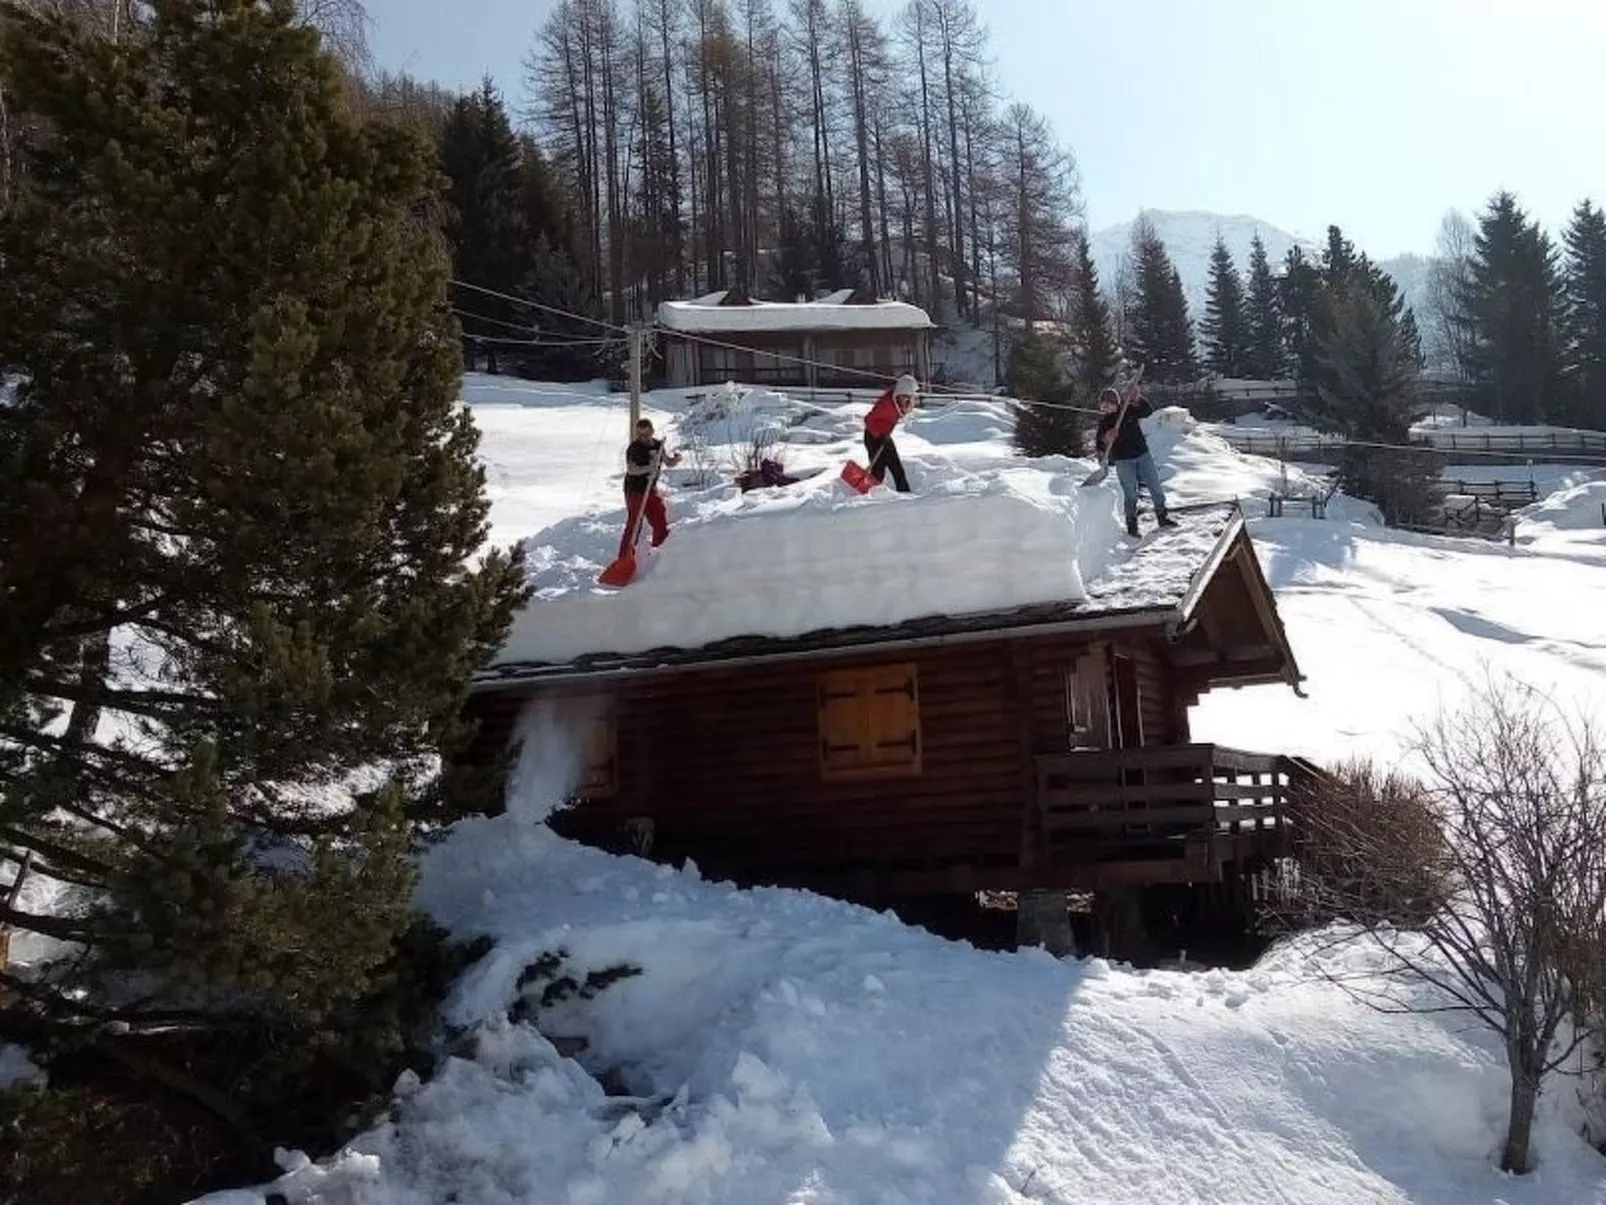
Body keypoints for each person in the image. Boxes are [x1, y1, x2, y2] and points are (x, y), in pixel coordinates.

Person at [1095, 382, 1175, 538]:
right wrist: (1106, 438)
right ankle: (1132, 525)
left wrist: (1137, 398)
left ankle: (1162, 516)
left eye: (1109, 404)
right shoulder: (1104, 423)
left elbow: (1147, 411)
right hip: (1123, 461)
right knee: (1130, 493)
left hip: (1142, 455)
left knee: (1155, 486)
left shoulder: (1129, 409)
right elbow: (1099, 445)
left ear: (1116, 402)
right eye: (1103, 405)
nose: (1106, 408)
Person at [619, 418, 681, 557]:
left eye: (646, 434)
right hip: (634, 490)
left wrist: (675, 460)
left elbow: (667, 461)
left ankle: (659, 550)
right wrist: (649, 468)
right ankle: (625, 556)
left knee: (659, 516)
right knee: (635, 522)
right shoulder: (634, 448)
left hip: (650, 488)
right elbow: (632, 469)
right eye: (640, 435)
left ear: (652, 431)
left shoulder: (658, 445)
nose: (643, 438)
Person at [862, 372, 918, 492]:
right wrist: (879, 434)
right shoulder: (885, 404)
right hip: (872, 437)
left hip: (884, 436)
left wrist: (884, 434)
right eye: (905, 396)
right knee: (878, 470)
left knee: (896, 467)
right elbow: (868, 419)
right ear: (899, 393)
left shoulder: (898, 403)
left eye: (910, 397)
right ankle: (870, 495)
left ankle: (905, 494)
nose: (907, 400)